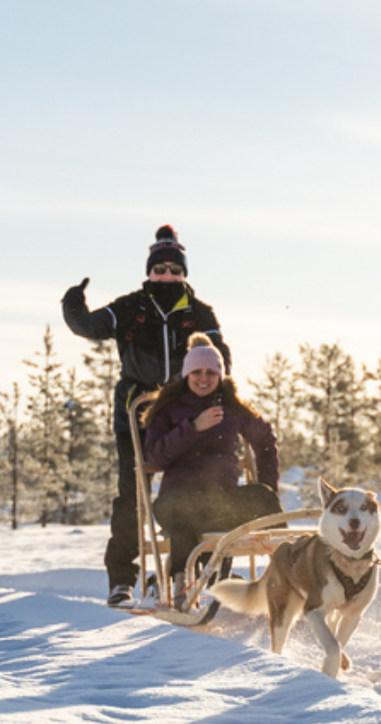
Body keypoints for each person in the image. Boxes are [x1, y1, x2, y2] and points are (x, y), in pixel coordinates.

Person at [63, 225, 233, 607]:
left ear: (183, 273)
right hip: (136, 417)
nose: (167, 276)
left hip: (184, 418)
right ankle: (122, 579)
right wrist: (73, 306)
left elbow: (219, 354)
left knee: (191, 490)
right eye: (160, 270)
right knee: (132, 495)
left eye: (174, 270)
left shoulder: (198, 312)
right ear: (150, 272)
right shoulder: (131, 307)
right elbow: (90, 326)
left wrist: (218, 386)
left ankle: (189, 570)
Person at [140, 333, 281, 605]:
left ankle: (291, 572)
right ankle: (182, 583)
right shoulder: (169, 409)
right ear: (187, 374)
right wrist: (193, 427)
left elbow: (265, 440)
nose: (203, 379)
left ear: (220, 375)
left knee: (263, 496)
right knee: (186, 511)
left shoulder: (231, 407)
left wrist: (267, 484)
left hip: (220, 499)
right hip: (178, 499)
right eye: (197, 372)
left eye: (211, 373)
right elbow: (155, 456)